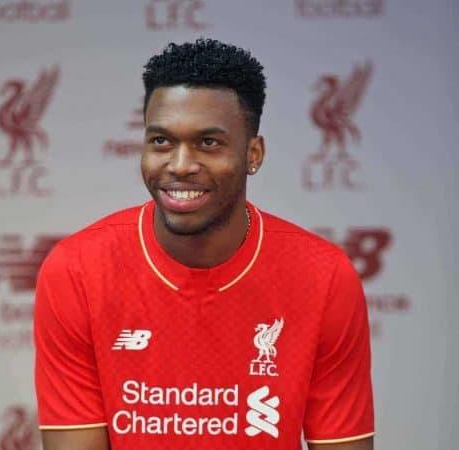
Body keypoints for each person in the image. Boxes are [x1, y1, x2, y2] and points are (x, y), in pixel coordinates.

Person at [34, 38, 374, 450]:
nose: (179, 165)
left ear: (253, 154)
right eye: (161, 141)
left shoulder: (323, 278)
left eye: (208, 143)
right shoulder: (78, 271)